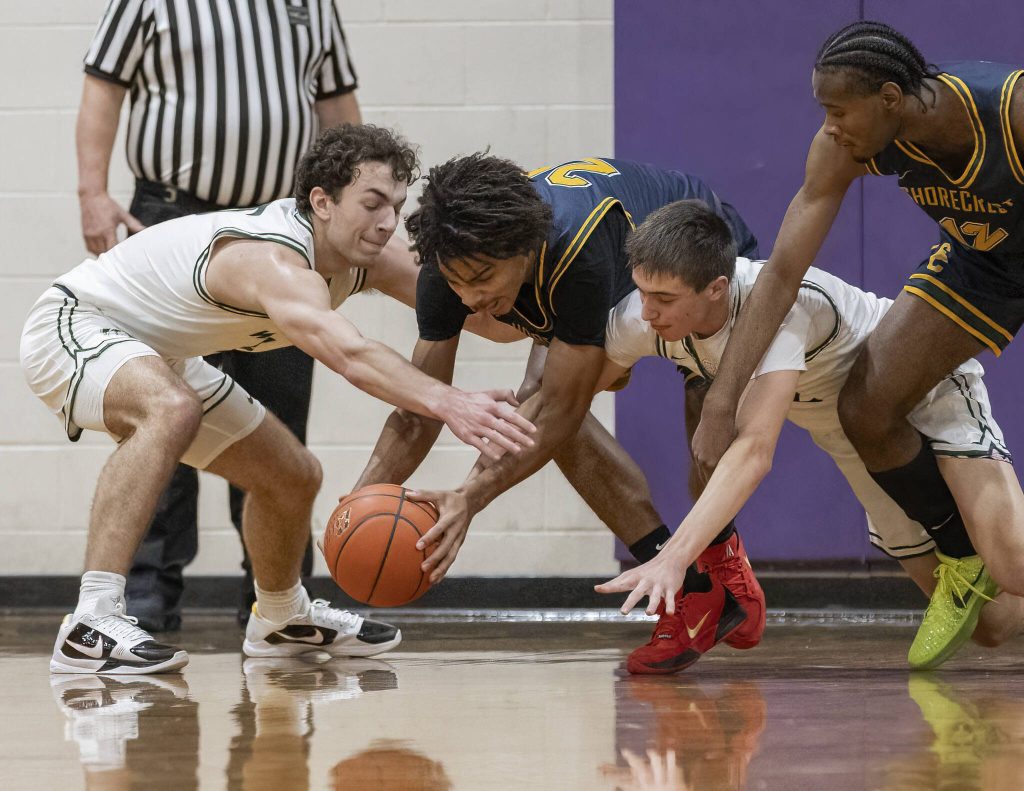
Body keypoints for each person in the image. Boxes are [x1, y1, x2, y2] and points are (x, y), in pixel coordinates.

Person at [21, 124, 536, 675]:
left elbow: (478, 307)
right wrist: (451, 402)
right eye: (372, 203)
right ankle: (90, 621)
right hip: (74, 323)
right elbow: (351, 355)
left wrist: (588, 344)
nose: (388, 221)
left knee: (293, 475)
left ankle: (280, 619)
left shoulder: (368, 255)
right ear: (322, 202)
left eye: (396, 205)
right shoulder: (272, 258)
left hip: (157, 353)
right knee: (169, 409)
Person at [688, 20, 1024, 669]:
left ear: (891, 98)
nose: (830, 125)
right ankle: (961, 561)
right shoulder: (842, 146)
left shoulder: (1008, 109)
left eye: (839, 109)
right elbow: (783, 270)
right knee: (863, 405)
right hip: (981, 266)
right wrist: (721, 394)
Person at [354, 154, 767, 674]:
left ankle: (720, 554)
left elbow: (564, 408)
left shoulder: (576, 251)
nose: (472, 298)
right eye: (458, 284)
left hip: (679, 243)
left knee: (703, 416)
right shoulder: (451, 267)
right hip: (600, 276)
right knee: (543, 411)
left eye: (483, 279)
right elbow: (419, 411)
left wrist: (468, 499)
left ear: (524, 248)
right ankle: (694, 592)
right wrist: (358, 502)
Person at [595, 200, 1024, 669]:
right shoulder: (641, 315)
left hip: (921, 392)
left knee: (1013, 561)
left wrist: (675, 556)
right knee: (991, 625)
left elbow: (755, 451)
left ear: (716, 288)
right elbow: (576, 386)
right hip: (853, 442)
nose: (648, 310)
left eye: (665, 299)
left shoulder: (776, 306)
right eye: (642, 291)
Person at [78, 0, 364, 631]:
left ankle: (277, 604)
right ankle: (142, 602)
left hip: (285, 227)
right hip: (174, 219)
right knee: (166, 414)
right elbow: (104, 87)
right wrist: (93, 193)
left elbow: (337, 108)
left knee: (279, 423)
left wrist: (351, 206)